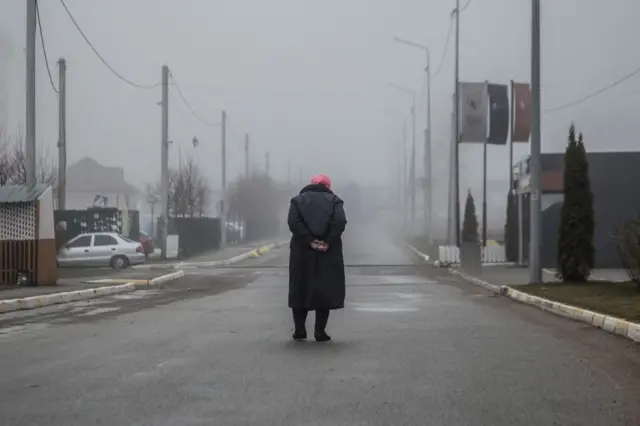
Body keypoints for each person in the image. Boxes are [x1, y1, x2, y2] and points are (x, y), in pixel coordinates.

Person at [287, 173, 347, 342]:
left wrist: (309, 240)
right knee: (324, 288)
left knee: (300, 287)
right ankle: (320, 332)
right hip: (328, 252)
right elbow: (339, 222)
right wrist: (327, 241)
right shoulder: (335, 201)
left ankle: (300, 330)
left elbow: (293, 222)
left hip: (301, 251)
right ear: (328, 186)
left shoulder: (297, 201)